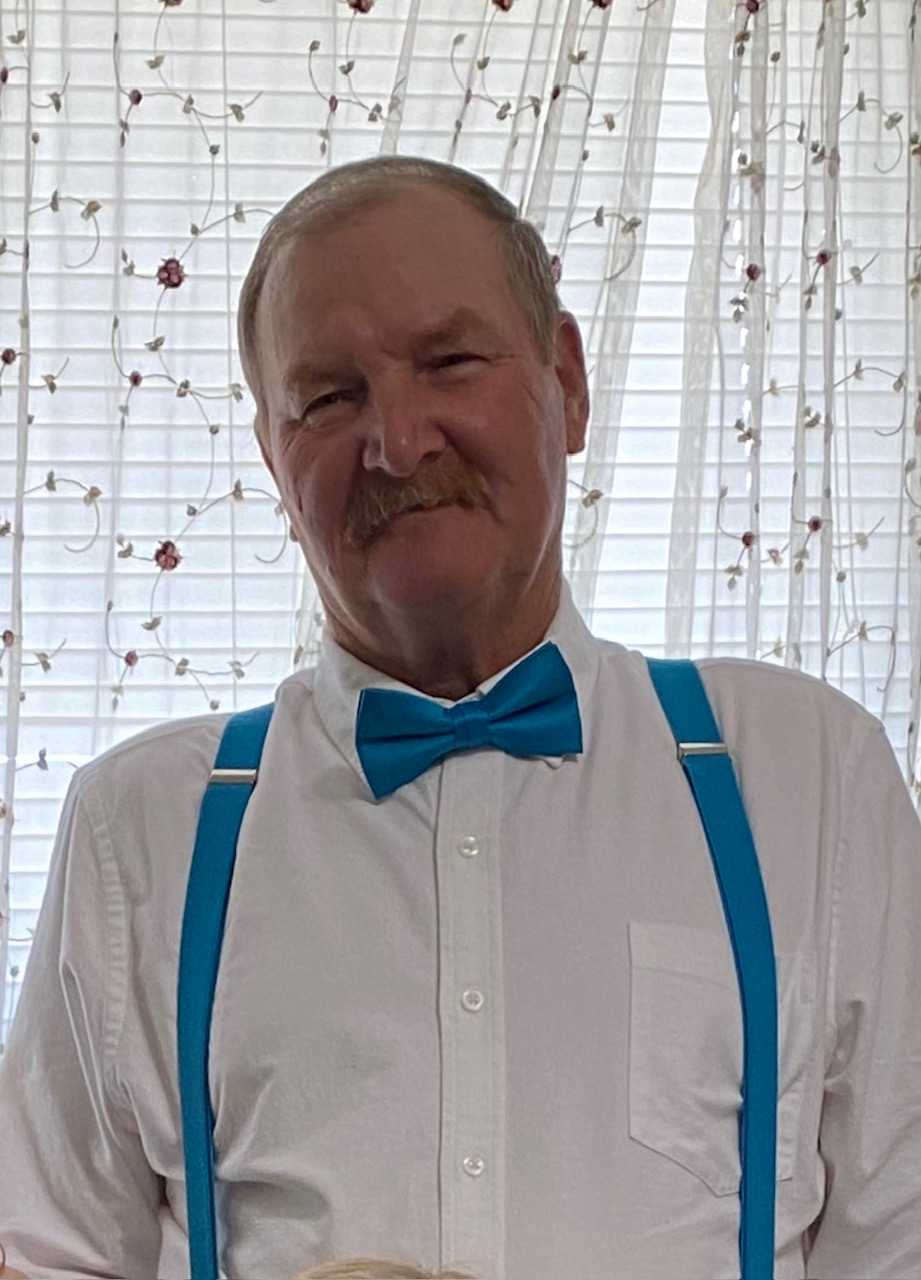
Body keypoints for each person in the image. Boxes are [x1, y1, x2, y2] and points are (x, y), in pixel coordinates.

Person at [0, 154, 919, 1280]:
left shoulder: (810, 774)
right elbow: (44, 1250)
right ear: (273, 459)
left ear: (567, 384)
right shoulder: (137, 825)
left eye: (450, 362)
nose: (398, 440)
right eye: (328, 398)